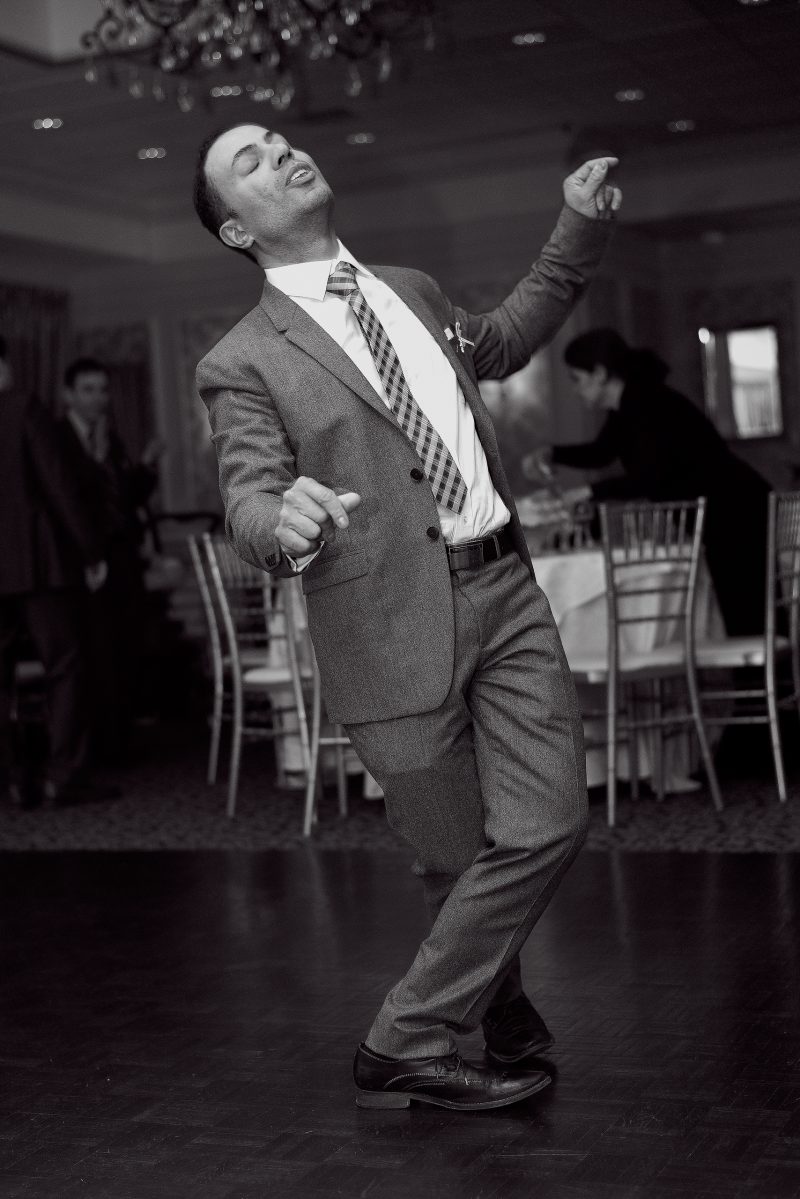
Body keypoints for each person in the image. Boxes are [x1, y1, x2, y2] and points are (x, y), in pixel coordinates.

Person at [193, 122, 621, 1111]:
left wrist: (575, 228)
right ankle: (496, 1008)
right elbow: (249, 495)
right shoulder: (241, 359)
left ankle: (404, 1037)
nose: (282, 153)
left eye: (277, 138)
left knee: (547, 821)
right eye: (249, 163)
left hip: (503, 591)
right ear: (232, 232)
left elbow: (506, 337)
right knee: (452, 853)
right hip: (381, 624)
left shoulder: (411, 289)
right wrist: (278, 521)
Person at [537, 328, 771, 636]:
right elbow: (602, 453)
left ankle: (764, 683)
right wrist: (550, 453)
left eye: (577, 379)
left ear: (600, 374)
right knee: (748, 616)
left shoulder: (646, 403)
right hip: (733, 508)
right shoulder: (630, 403)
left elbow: (650, 478)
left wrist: (588, 491)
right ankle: (766, 682)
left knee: (749, 618)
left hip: (735, 509)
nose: (576, 391)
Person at [0, 336, 107, 806]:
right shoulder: (22, 406)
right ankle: (61, 776)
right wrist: (90, 552)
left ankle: (11, 779)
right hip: (37, 564)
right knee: (63, 668)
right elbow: (58, 485)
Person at [58, 358, 159, 762]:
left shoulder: (109, 438)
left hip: (122, 559)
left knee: (125, 646)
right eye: (88, 389)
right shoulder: (57, 437)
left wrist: (147, 467)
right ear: (69, 394)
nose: (98, 398)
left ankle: (121, 741)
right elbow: (67, 503)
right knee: (94, 651)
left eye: (102, 389)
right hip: (84, 563)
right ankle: (101, 746)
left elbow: (124, 498)